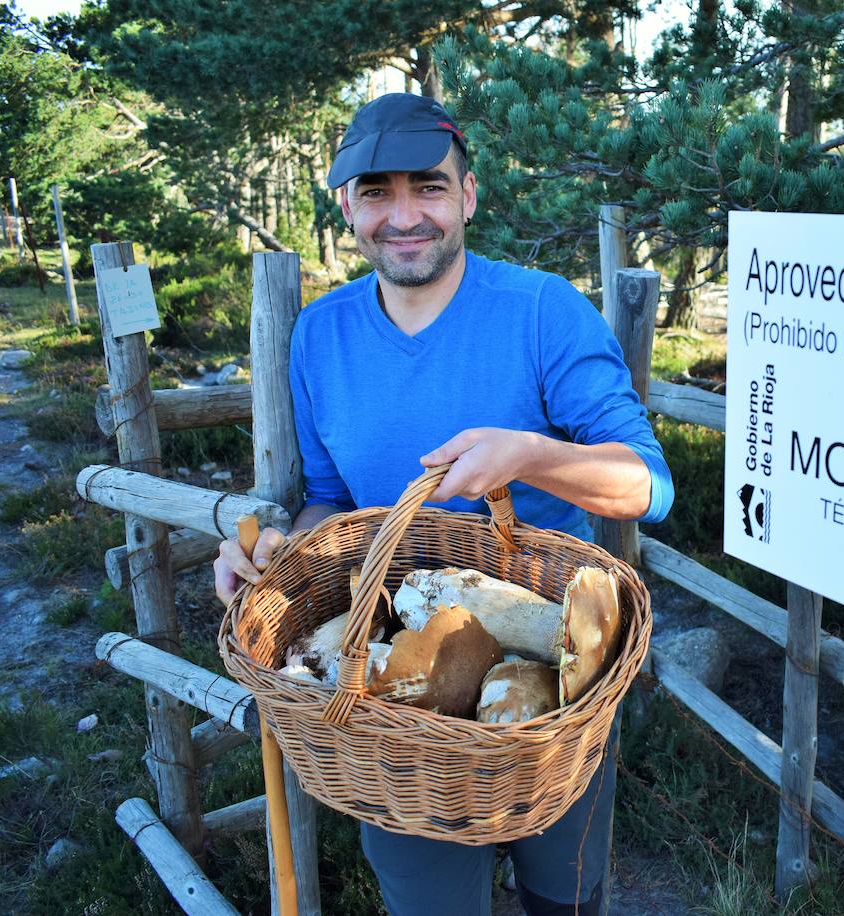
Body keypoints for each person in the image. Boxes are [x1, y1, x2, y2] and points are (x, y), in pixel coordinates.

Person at [213, 92, 673, 916]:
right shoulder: (321, 334)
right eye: (377, 194)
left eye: (428, 187)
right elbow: (328, 502)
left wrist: (531, 453)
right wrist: (281, 556)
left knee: (564, 894)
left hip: (551, 688)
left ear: (467, 195)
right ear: (347, 207)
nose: (404, 217)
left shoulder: (541, 312)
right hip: (395, 695)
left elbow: (647, 483)